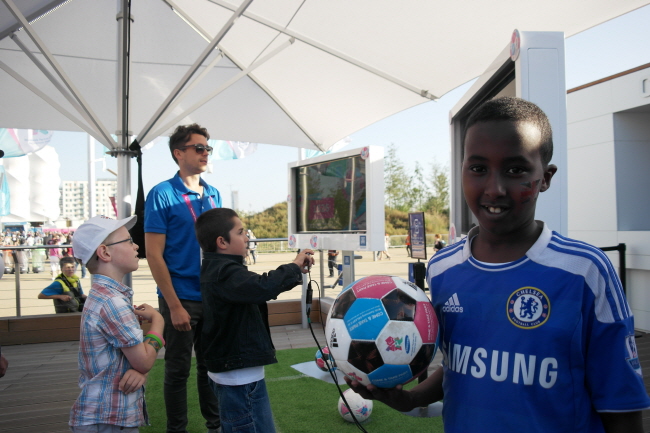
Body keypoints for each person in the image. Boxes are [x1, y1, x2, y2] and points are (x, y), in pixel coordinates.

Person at [347, 97, 650, 433]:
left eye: (516, 170)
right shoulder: (443, 268)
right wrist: (414, 398)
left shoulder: (585, 271)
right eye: (478, 169)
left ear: (545, 177)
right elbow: (465, 364)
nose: (494, 188)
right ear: (461, 171)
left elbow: (622, 405)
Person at [195, 208, 314, 433]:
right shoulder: (224, 272)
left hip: (236, 374)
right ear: (222, 241)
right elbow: (262, 287)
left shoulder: (220, 268)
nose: (247, 237)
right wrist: (294, 266)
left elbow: (257, 286)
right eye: (240, 232)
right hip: (238, 378)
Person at [145, 123, 221, 433]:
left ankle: (215, 425)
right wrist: (174, 305)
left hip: (213, 296)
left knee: (211, 368)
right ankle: (177, 430)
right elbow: (153, 254)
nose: (205, 153)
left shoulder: (214, 192)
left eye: (207, 148)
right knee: (178, 371)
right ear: (179, 153)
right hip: (181, 299)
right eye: (198, 148)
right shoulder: (161, 193)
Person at [68, 215, 165, 432]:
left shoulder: (102, 296)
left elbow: (134, 362)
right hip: (109, 418)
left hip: (102, 415)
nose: (136, 246)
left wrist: (140, 370)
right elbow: (143, 362)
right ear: (105, 252)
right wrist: (158, 321)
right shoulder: (113, 302)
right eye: (129, 241)